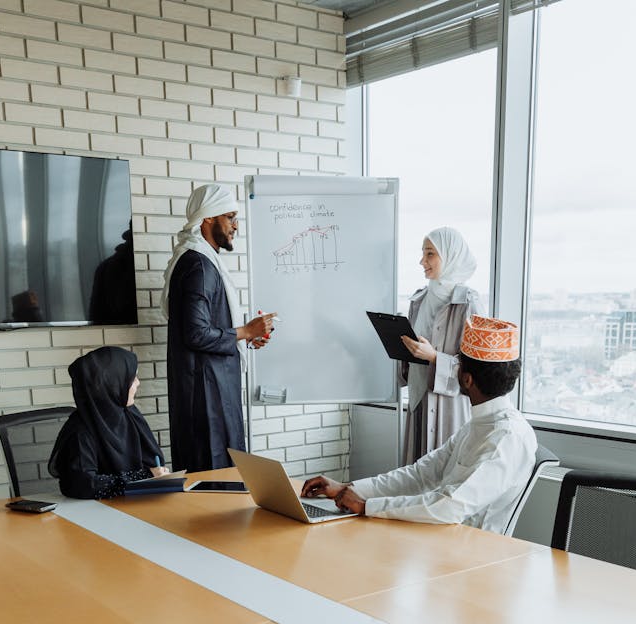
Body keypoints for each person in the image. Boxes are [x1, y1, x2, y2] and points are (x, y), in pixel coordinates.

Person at [301, 316, 537, 533]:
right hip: (440, 539)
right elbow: (421, 475)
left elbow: (450, 505)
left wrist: (367, 506)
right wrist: (349, 489)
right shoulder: (478, 425)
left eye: (458, 363)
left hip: (473, 556)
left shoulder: (507, 437)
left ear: (467, 379)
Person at [161, 182, 276, 471]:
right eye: (230, 217)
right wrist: (246, 331)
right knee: (216, 472)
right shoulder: (199, 265)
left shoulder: (199, 262)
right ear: (208, 217)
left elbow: (206, 325)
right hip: (207, 394)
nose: (236, 226)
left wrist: (247, 338)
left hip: (210, 387)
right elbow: (196, 333)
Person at [397, 227, 484, 464]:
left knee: (444, 472)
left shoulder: (468, 302)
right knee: (415, 475)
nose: (422, 261)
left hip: (449, 407)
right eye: (423, 254)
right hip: (419, 400)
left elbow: (477, 369)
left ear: (450, 255)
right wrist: (403, 349)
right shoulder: (419, 300)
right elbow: (411, 358)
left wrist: (435, 357)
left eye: (430, 254)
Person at [49, 346, 170, 499]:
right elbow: (84, 485)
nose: (138, 383)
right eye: (132, 379)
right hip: (95, 514)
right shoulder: (80, 431)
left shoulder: (128, 414)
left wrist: (155, 474)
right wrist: (141, 478)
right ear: (112, 384)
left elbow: (154, 463)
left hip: (138, 503)